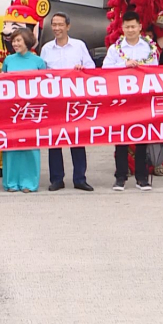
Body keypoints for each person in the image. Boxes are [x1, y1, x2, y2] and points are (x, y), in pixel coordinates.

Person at [40, 12, 95, 192]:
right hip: (54, 101)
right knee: (55, 140)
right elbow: (41, 73)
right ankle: (57, 179)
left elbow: (92, 68)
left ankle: (79, 178)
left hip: (75, 100)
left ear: (68, 26)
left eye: (60, 25)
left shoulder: (79, 46)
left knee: (77, 139)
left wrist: (82, 69)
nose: (56, 28)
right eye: (53, 25)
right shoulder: (46, 48)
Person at [103, 12, 157, 191]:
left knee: (142, 137)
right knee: (121, 139)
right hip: (121, 99)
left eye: (133, 26)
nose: (130, 30)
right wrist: (124, 66)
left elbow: (155, 70)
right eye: (127, 27)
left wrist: (140, 67)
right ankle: (120, 177)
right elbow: (105, 69)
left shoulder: (149, 48)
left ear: (140, 27)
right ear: (122, 28)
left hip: (142, 98)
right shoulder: (115, 49)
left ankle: (142, 178)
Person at [1, 28, 47, 192]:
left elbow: (46, 85)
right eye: (13, 41)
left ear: (27, 41)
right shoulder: (8, 60)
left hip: (32, 110)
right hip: (12, 110)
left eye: (19, 40)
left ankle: (29, 183)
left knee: (30, 147)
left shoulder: (38, 62)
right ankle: (11, 182)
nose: (15, 44)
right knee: (11, 146)